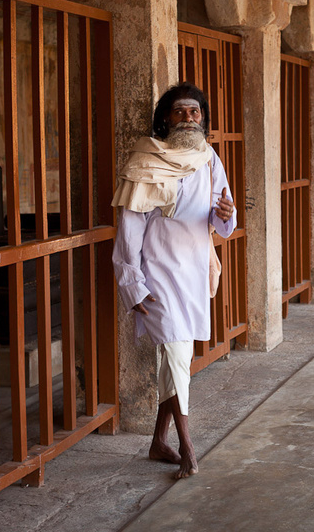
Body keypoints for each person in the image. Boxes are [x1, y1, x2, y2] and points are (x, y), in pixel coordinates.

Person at [111, 82, 236, 479]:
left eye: (194, 112)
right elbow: (129, 227)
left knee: (175, 357)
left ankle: (157, 443)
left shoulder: (209, 159)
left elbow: (223, 221)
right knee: (178, 357)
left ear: (203, 119)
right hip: (158, 272)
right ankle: (187, 448)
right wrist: (133, 284)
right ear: (166, 117)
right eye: (180, 112)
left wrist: (226, 212)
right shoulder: (147, 159)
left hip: (194, 270)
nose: (188, 118)